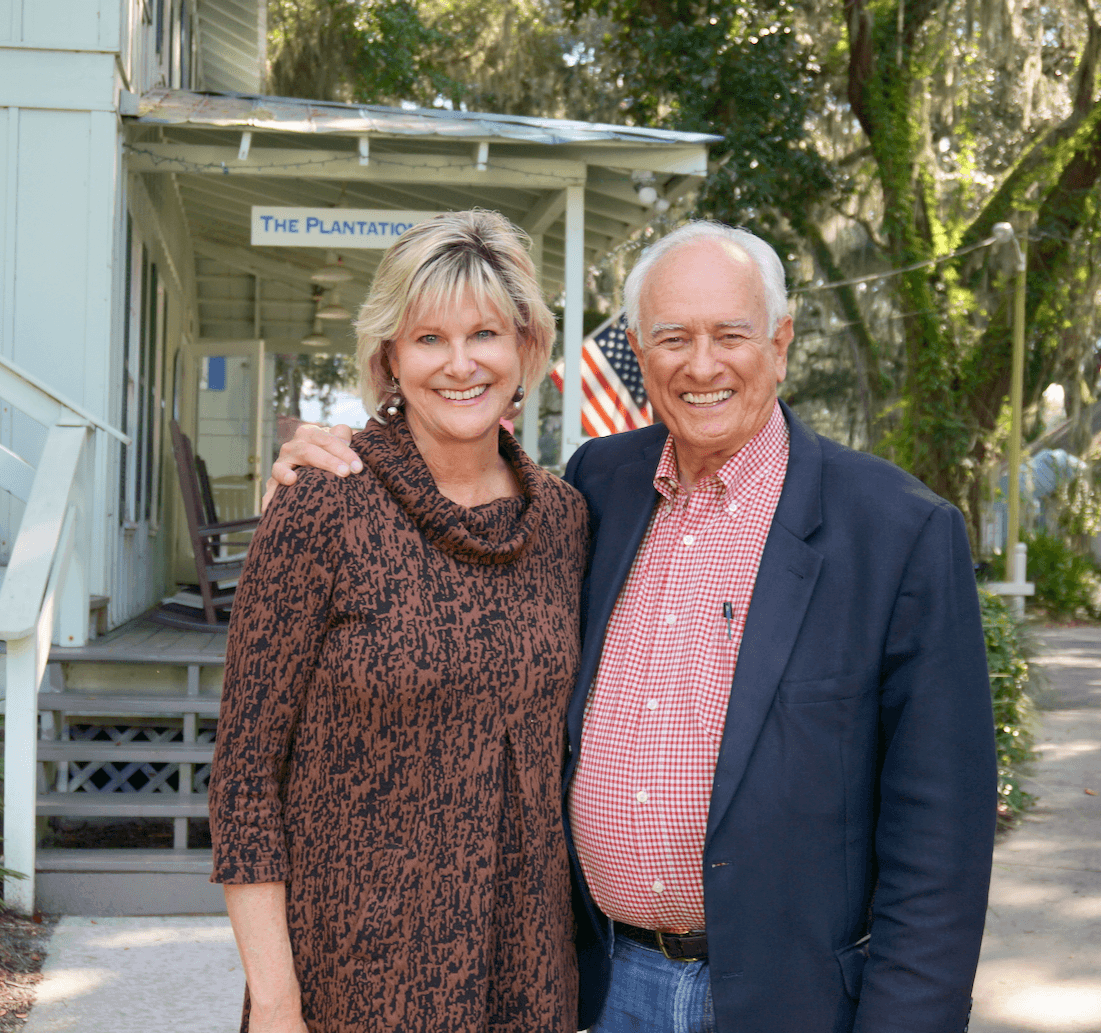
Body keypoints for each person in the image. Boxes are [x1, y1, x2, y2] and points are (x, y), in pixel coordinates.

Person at [269, 220, 998, 1033]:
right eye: (673, 338)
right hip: (605, 989)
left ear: (782, 341)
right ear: (640, 354)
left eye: (731, 334)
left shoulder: (898, 532)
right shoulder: (595, 490)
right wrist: (339, 460)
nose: (702, 364)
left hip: (788, 1002)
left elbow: (941, 845)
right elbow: (457, 537)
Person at [209, 210, 589, 1033]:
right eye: (428, 339)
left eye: (485, 333)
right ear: (389, 356)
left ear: (526, 346)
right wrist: (275, 1001)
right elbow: (243, 779)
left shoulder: (563, 521)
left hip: (526, 979)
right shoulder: (322, 503)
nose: (460, 364)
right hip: (348, 983)